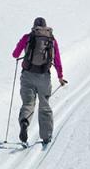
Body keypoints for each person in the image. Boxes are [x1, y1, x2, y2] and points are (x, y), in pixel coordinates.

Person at [12, 17, 67, 145]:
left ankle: (24, 122)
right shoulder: (51, 40)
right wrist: (60, 76)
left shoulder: (28, 37)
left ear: (34, 27)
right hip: (44, 76)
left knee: (28, 104)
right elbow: (57, 59)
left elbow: (15, 54)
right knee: (44, 105)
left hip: (27, 75)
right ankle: (46, 136)